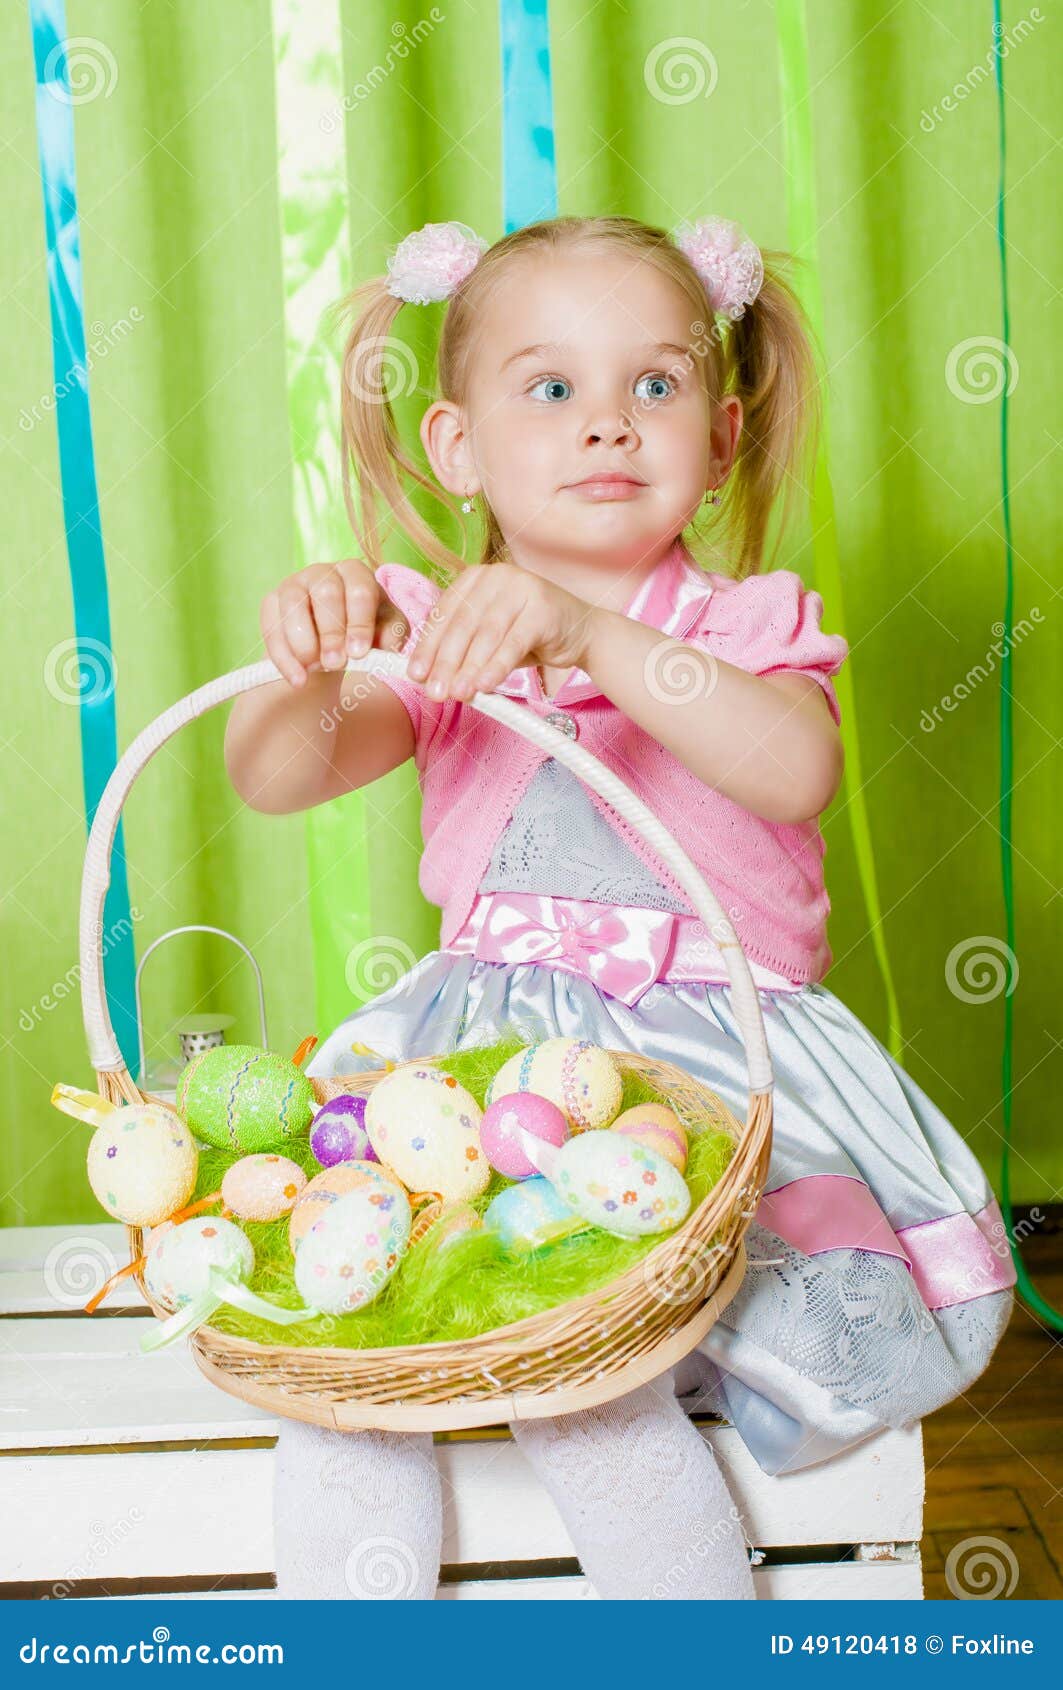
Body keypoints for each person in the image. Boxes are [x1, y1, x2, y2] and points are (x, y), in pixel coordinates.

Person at [224, 214, 1015, 1600]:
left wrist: (586, 630)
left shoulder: (743, 623)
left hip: (698, 1077)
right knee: (356, 1367)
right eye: (551, 388)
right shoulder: (435, 626)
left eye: (651, 387)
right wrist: (309, 657)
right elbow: (277, 774)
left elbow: (795, 768)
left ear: (718, 433)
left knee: (590, 1377)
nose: (606, 425)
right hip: (481, 1072)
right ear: (459, 446)